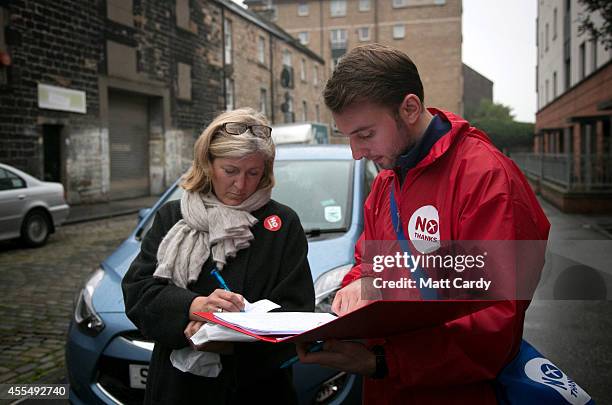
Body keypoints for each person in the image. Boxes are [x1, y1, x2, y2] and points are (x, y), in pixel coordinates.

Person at [296, 44, 550, 404]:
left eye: (365, 134)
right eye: (347, 136)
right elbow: (370, 260)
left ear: (410, 108)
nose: (356, 152)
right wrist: (361, 281)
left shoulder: (487, 179)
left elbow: (494, 317)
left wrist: (382, 361)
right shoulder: (387, 182)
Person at [122, 108, 315, 404]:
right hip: (178, 391)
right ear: (207, 164)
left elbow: (298, 311)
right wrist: (195, 306)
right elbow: (139, 293)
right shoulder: (172, 217)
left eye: (253, 173)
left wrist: (230, 343)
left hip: (258, 392)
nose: (241, 185)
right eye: (230, 171)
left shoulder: (283, 223)